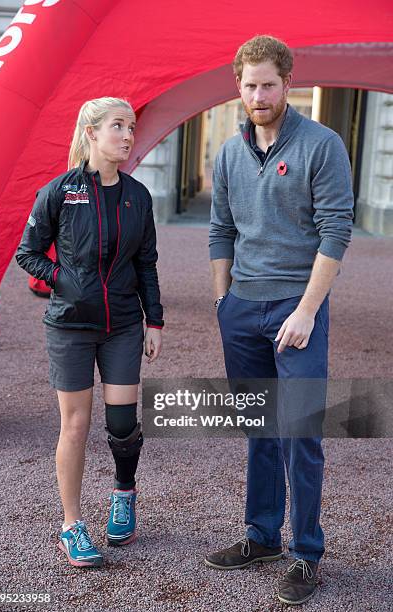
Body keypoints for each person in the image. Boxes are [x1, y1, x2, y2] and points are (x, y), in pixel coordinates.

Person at [206, 36, 353, 606]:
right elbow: (221, 230)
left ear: (289, 84)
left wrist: (307, 311)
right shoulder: (226, 152)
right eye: (249, 85)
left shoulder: (322, 144)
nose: (259, 94)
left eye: (268, 84)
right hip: (242, 309)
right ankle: (262, 537)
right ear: (237, 87)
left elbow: (336, 231)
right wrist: (224, 302)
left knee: (301, 432)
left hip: (298, 309)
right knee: (259, 430)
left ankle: (306, 554)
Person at [16, 97, 163, 568]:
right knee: (75, 426)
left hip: (121, 324)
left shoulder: (138, 196)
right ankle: (72, 524)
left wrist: (154, 319)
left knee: (122, 424)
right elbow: (28, 252)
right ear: (91, 132)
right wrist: (64, 280)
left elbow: (146, 263)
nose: (127, 135)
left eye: (131, 127)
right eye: (118, 126)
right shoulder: (58, 192)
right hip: (70, 327)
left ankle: (124, 493)